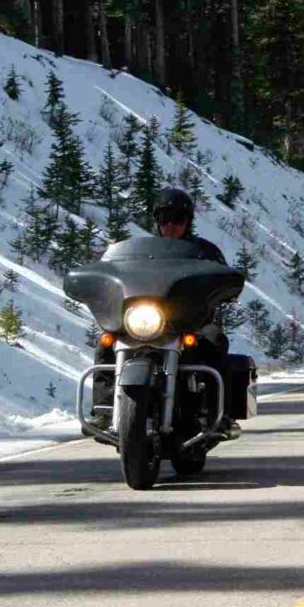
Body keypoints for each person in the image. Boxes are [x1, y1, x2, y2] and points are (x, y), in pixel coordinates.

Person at [89, 187, 239, 438]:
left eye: (177, 219)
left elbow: (222, 277)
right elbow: (115, 273)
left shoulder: (204, 251)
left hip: (191, 321)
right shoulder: (138, 252)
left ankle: (216, 413)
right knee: (106, 342)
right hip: (146, 320)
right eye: (164, 218)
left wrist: (226, 288)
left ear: (188, 221)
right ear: (156, 221)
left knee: (214, 339)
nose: (170, 225)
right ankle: (104, 410)